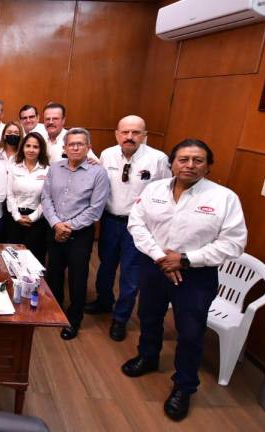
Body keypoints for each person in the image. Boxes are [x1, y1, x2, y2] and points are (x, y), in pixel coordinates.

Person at [122, 139, 247, 422]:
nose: (190, 165)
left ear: (209, 166)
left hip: (196, 275)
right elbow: (137, 224)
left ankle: (184, 386)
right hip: (155, 266)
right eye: (183, 159)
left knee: (190, 332)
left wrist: (186, 259)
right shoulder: (153, 189)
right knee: (149, 316)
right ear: (172, 163)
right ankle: (148, 356)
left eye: (198, 160)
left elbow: (233, 244)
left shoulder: (224, 198)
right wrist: (161, 258)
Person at [86, 115, 171, 341]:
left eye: (135, 133)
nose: (129, 137)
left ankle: (120, 318)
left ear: (144, 135)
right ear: (117, 134)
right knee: (105, 265)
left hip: (139, 226)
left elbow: (167, 191)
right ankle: (104, 301)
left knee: (130, 274)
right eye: (125, 132)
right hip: (110, 220)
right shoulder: (107, 154)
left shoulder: (157, 159)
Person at [41, 127, 109, 340]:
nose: (75, 147)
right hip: (54, 229)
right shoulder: (55, 168)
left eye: (80, 144)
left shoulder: (98, 173)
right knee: (54, 272)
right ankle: (55, 309)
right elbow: (45, 198)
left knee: (78, 278)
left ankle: (74, 319)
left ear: (88, 148)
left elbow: (95, 209)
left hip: (80, 234)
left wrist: (67, 226)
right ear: (65, 147)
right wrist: (55, 224)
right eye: (71, 144)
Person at [6, 132, 49, 264]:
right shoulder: (14, 167)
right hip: (15, 217)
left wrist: (32, 217)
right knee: (13, 258)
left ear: (41, 149)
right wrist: (17, 216)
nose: (31, 150)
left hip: (37, 220)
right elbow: (9, 194)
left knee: (34, 259)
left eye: (35, 147)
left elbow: (47, 198)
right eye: (28, 146)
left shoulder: (47, 170)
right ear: (22, 147)